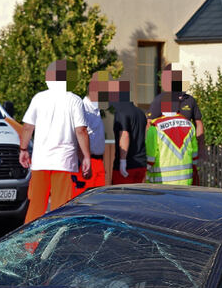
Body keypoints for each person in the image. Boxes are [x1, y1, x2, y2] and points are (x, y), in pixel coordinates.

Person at [19, 59, 92, 223]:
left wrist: (23, 149)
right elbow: (80, 130)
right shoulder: (74, 100)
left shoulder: (39, 98)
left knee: (36, 207)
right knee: (61, 208)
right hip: (64, 163)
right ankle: (57, 245)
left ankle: (29, 245)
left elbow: (27, 127)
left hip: (40, 162)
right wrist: (86, 157)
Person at [147, 63, 205, 184]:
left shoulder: (189, 99)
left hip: (186, 154)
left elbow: (198, 123)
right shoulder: (160, 100)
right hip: (165, 158)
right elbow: (150, 126)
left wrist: (200, 147)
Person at [73, 71, 108, 196]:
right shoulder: (84, 108)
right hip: (88, 162)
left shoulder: (95, 109)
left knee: (98, 201)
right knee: (83, 200)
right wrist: (84, 161)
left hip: (97, 161)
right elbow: (79, 134)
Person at [110, 79, 148, 185]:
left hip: (127, 166)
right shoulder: (140, 112)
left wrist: (123, 161)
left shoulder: (121, 112)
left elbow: (124, 135)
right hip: (141, 164)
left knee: (121, 199)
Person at [145, 110, 199, 185]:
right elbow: (195, 154)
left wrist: (146, 176)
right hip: (186, 181)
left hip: (161, 182)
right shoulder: (189, 124)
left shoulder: (155, 127)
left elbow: (150, 158)